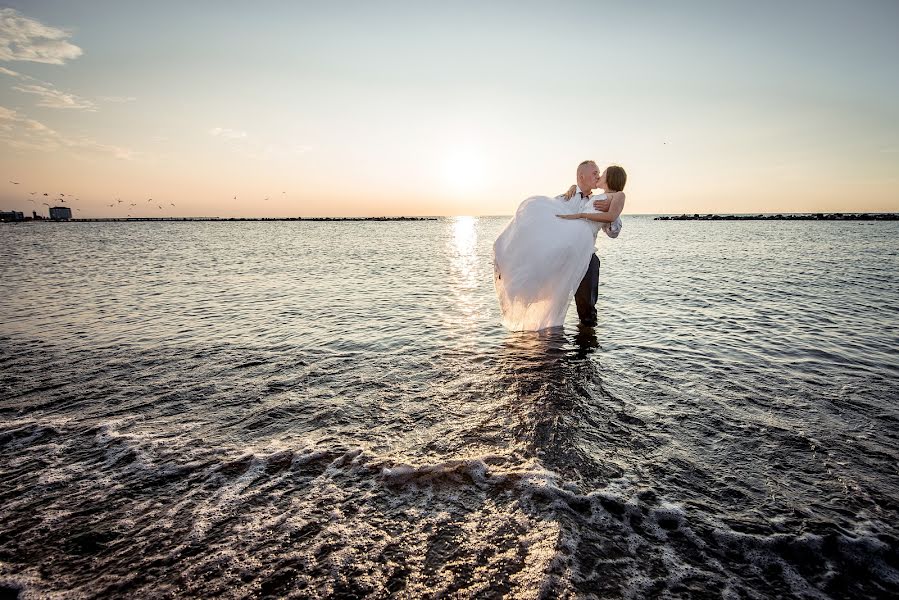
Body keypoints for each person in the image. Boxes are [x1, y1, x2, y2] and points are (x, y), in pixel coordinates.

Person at [493, 161, 626, 331]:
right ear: (581, 176)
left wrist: (612, 214)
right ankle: (548, 341)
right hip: (559, 256)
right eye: (594, 173)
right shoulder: (563, 198)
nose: (598, 176)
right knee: (548, 299)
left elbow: (613, 232)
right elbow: (545, 222)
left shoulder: (599, 200)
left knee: (587, 307)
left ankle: (587, 348)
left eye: (600, 173)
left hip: (586, 256)